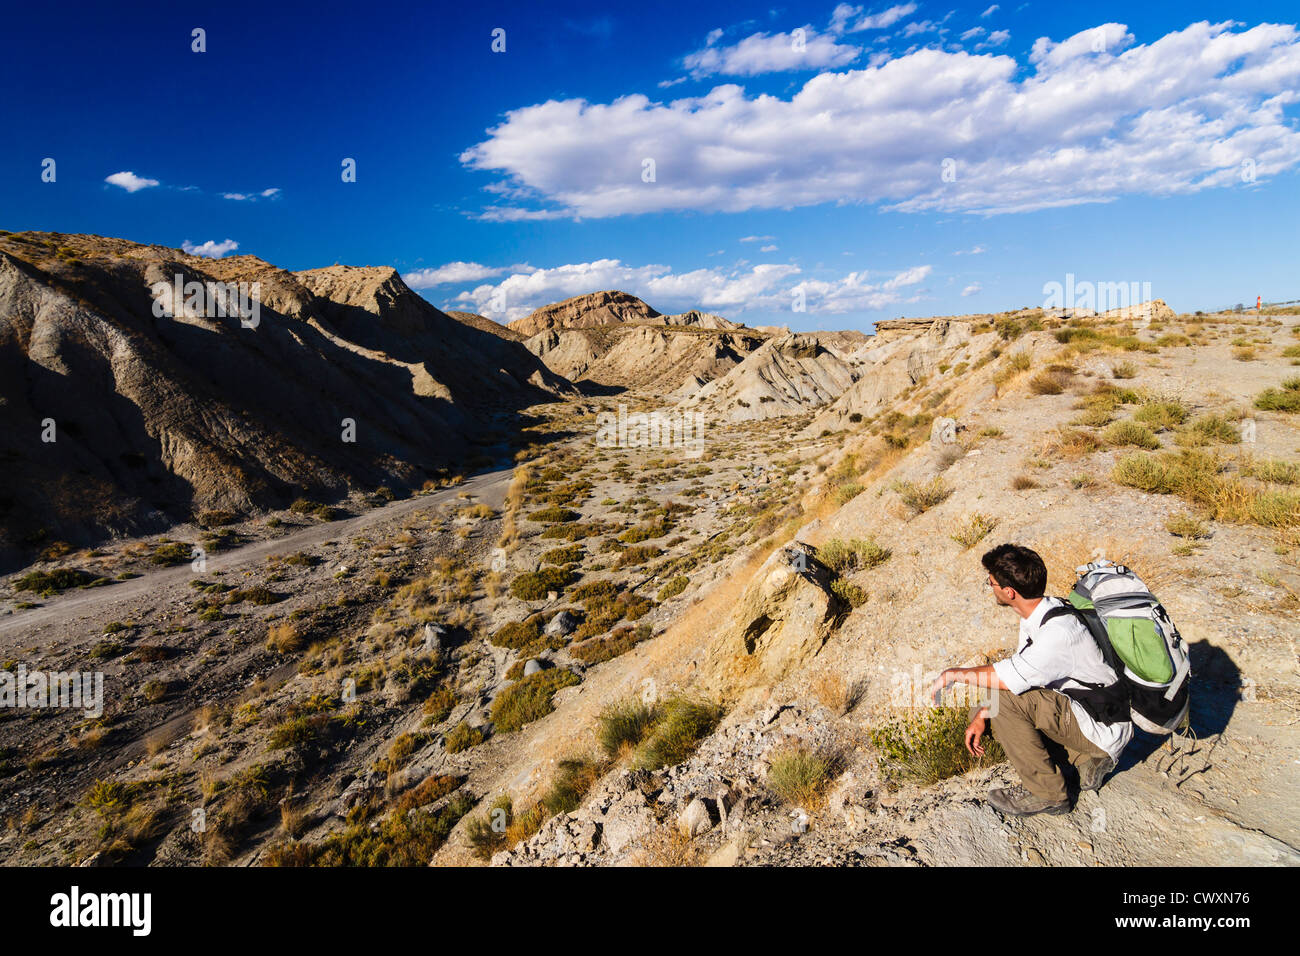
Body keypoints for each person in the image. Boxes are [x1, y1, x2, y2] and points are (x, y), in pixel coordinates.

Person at [928, 543, 1133, 816]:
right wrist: (980, 715)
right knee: (986, 706)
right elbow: (1024, 676)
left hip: (1103, 725)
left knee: (1002, 700)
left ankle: (1049, 794)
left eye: (991, 583)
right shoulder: (1045, 611)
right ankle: (1085, 761)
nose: (990, 587)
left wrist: (954, 674)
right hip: (1094, 712)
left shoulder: (1056, 634)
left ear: (1009, 592)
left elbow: (1007, 682)